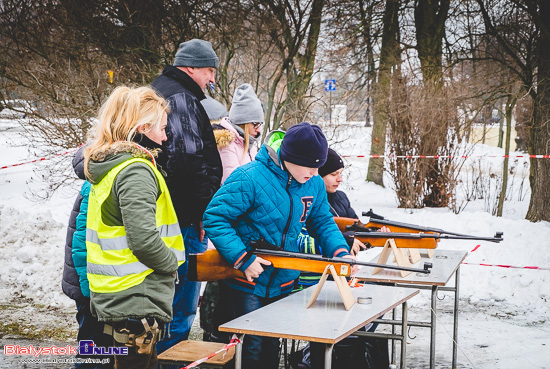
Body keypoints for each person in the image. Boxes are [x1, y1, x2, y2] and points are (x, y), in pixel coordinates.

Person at [203, 122, 357, 369]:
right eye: (310, 166)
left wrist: (340, 253)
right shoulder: (248, 177)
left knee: (271, 349)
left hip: (283, 279)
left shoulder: (313, 183)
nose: (315, 174)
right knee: (249, 351)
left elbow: (322, 222)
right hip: (246, 281)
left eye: (318, 167)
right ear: (290, 158)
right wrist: (243, 259)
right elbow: (214, 217)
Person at [84, 86, 185, 369]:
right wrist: (171, 264)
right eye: (162, 128)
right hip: (135, 295)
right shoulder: (135, 171)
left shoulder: (110, 166)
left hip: (119, 293)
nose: (165, 137)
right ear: (143, 128)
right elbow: (143, 239)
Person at [150, 38, 223, 353]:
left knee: (168, 300)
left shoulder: (165, 89)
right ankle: (171, 356)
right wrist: (202, 214)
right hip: (183, 221)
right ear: (191, 67)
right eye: (209, 70)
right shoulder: (179, 97)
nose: (212, 79)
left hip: (172, 214)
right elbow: (187, 162)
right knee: (180, 305)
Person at [200, 85, 264, 343]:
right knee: (223, 277)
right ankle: (215, 331)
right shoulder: (229, 145)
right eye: (254, 124)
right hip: (228, 224)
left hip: (239, 224)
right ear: (242, 122)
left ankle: (220, 329)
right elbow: (231, 186)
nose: (258, 129)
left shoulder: (245, 143)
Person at [62, 148, 114, 369]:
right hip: (90, 287)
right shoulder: (96, 185)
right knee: (93, 351)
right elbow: (82, 242)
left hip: (94, 284)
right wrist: (89, 289)